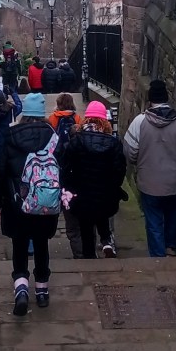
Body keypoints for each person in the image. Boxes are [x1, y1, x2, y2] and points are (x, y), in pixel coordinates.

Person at [0, 91, 61, 316]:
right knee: (41, 245)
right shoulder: (52, 137)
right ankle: (42, 291)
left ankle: (21, 289)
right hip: (45, 202)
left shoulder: (11, 136)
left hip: (17, 203)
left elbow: (0, 172)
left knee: (19, 245)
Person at [123, 79, 176, 258]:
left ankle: (158, 258)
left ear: (150, 100)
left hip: (149, 184)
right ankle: (171, 247)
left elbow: (130, 152)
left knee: (154, 222)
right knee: (173, 216)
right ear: (167, 99)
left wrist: (142, 161)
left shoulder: (139, 122)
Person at [61, 101, 127, 259]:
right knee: (102, 216)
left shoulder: (77, 141)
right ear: (104, 121)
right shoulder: (113, 143)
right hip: (105, 193)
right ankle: (106, 242)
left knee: (86, 229)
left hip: (82, 194)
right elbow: (120, 170)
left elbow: (65, 167)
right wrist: (113, 187)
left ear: (86, 119)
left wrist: (70, 187)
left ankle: (90, 258)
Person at [0, 87, 17, 154]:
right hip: (10, 133)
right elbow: (19, 105)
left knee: (0, 155)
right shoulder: (11, 107)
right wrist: (13, 94)